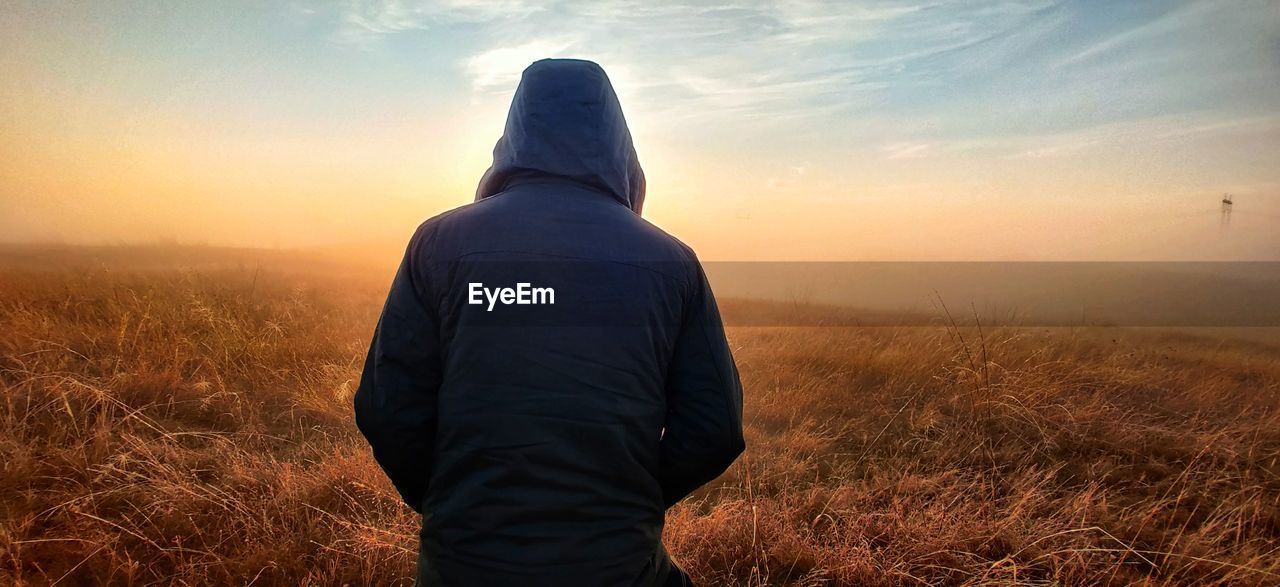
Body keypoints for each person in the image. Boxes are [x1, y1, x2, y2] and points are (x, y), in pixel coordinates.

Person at [354, 58, 745, 586]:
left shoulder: (438, 243)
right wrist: (625, 503)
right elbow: (715, 429)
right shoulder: (672, 261)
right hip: (616, 564)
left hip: (463, 562)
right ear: (619, 141)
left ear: (514, 132)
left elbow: (386, 408)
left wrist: (453, 504)